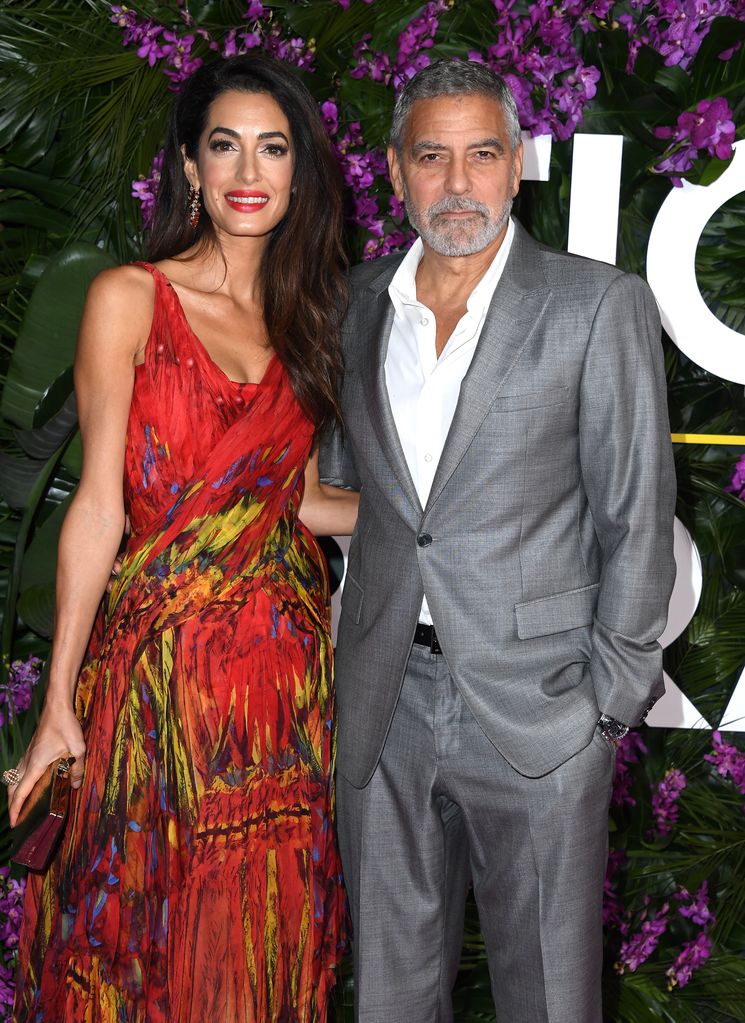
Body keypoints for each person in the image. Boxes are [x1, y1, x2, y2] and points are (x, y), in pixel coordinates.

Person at [320, 60, 676, 1023]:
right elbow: (348, 496)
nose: (458, 182)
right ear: (395, 173)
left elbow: (634, 517)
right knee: (389, 999)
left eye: (482, 154)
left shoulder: (594, 305)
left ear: (516, 166)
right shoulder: (350, 310)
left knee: (550, 1000)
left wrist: (607, 705)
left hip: (541, 710)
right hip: (384, 703)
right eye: (431, 157)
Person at [7, 54, 358, 1023]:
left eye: (274, 148)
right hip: (159, 685)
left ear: (298, 175)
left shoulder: (306, 320)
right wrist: (58, 702)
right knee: (143, 944)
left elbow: (298, 501)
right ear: (192, 171)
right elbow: (99, 510)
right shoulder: (130, 298)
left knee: (257, 955)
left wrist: (453, 511)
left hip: (280, 695)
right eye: (225, 145)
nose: (250, 170)